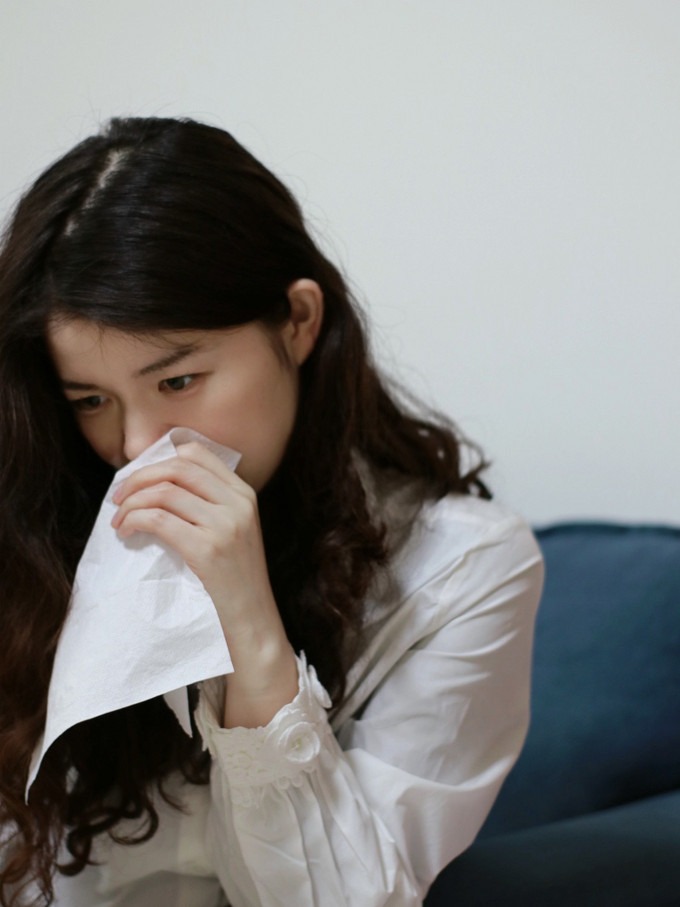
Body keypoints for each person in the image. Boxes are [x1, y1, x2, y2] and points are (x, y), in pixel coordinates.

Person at [0, 117, 543, 907]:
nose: (137, 444)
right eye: (90, 399)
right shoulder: (38, 518)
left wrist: (252, 636)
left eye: (178, 381)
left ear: (297, 321)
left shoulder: (460, 570)